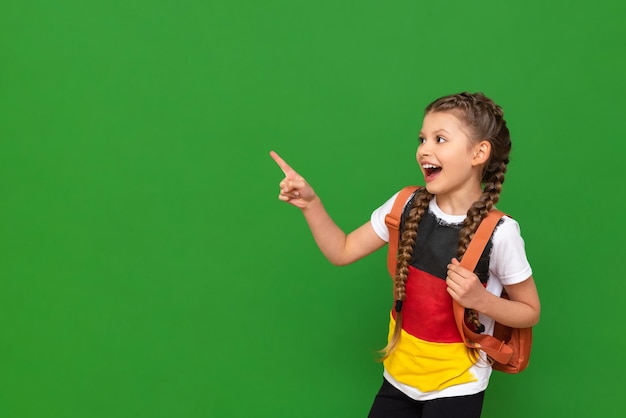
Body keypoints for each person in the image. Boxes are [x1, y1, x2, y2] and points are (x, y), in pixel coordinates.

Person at [269, 92, 540, 418]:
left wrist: (481, 300)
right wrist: (310, 204)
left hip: (458, 386)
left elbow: (529, 311)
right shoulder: (405, 205)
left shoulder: (501, 232)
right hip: (398, 377)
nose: (425, 149)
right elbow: (341, 251)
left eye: (440, 139)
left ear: (479, 152)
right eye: (422, 139)